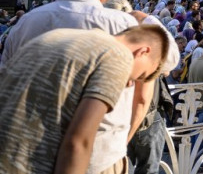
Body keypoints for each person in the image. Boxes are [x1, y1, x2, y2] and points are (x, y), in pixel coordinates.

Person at [0, 0, 177, 174]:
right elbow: (169, 57)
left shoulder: (28, 21)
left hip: (26, 154)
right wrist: (145, 19)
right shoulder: (123, 27)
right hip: (97, 157)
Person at [0, 25, 168, 174]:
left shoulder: (54, 36)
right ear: (143, 52)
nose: (131, 83)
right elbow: (78, 142)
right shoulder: (118, 55)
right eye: (140, 76)